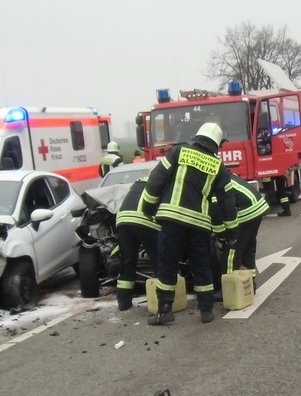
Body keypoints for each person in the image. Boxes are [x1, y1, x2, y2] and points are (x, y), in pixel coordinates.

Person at [139, 122, 237, 325]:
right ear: (216, 143)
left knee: (167, 264)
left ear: (198, 136)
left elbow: (156, 180)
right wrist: (231, 230)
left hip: (172, 219)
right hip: (199, 224)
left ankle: (164, 311)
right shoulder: (218, 166)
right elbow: (227, 201)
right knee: (202, 265)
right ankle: (206, 311)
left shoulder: (178, 152)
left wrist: (148, 208)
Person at [114, 175, 160, 312]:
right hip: (144, 221)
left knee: (128, 261)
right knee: (159, 260)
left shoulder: (139, 180)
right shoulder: (164, 182)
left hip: (123, 220)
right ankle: (161, 300)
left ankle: (123, 302)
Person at [213, 175, 269, 279]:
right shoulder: (223, 175)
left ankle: (230, 286)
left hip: (246, 211)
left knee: (232, 250)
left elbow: (216, 215)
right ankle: (249, 284)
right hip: (257, 207)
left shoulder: (212, 185)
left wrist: (222, 237)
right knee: (248, 249)